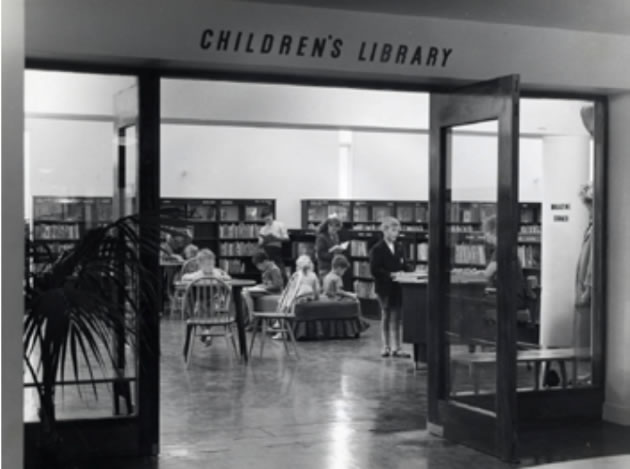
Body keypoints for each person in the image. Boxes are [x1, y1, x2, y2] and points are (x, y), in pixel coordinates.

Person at [369, 217, 412, 358]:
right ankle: (385, 346)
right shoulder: (377, 249)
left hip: (398, 287)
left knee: (397, 317)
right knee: (386, 315)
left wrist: (413, 271)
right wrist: (390, 274)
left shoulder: (399, 247)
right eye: (394, 230)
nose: (396, 234)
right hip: (384, 287)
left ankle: (397, 348)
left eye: (398, 231)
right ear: (385, 230)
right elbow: (374, 270)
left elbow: (404, 265)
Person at [482, 214, 534, 322]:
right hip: (515, 296)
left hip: (511, 299)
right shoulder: (507, 248)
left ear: (492, 232)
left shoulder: (500, 251)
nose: (485, 236)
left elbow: (486, 275)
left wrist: (466, 275)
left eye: (485, 232)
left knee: (476, 303)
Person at [574, 183, 593, 384]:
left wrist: (587, 290)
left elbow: (593, 265)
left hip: (589, 291)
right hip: (584, 288)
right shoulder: (590, 227)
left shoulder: (596, 229)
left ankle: (592, 373)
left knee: (589, 332)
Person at [242, 250, 285, 324]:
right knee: (243, 292)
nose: (258, 268)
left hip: (273, 292)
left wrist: (264, 288)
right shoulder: (267, 269)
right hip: (267, 290)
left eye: (259, 265)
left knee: (247, 294)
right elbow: (265, 283)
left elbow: (278, 285)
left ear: (265, 261)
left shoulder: (274, 269)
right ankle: (246, 319)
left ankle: (251, 318)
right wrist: (258, 286)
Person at [258, 208, 289, 282]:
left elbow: (287, 238)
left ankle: (284, 286)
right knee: (268, 273)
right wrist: (265, 241)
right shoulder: (263, 229)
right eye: (265, 219)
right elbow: (259, 244)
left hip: (277, 251)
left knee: (281, 272)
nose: (267, 220)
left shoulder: (280, 225)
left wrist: (276, 238)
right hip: (267, 252)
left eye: (268, 218)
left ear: (272, 215)